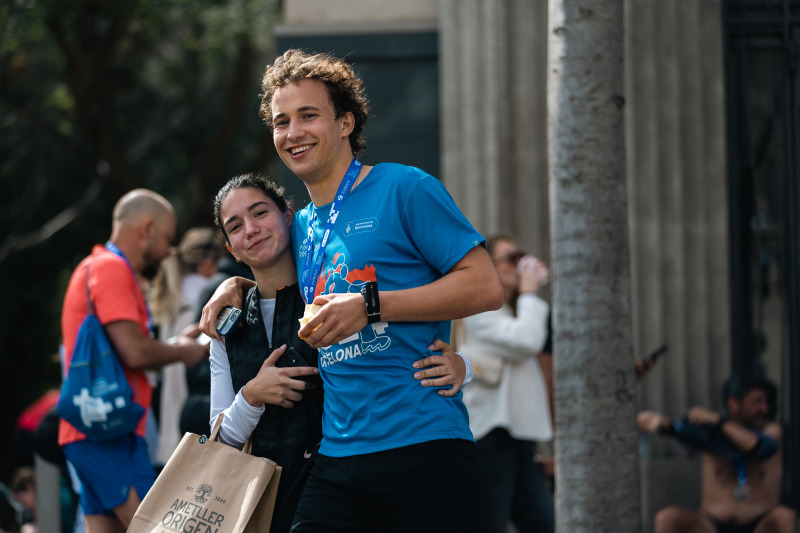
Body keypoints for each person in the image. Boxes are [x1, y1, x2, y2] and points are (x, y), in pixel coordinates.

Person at [200, 49, 503, 532]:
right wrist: (230, 286)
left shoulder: (404, 187)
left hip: (422, 444)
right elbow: (262, 266)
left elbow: (485, 285)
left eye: (308, 116)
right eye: (281, 122)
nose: (293, 132)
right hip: (336, 456)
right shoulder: (298, 229)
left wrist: (371, 307)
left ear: (345, 122)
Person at [208, 173, 471, 532]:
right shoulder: (228, 326)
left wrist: (462, 366)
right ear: (231, 249)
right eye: (235, 226)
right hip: (261, 501)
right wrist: (251, 397)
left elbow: (392, 343)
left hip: (339, 475)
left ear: (290, 217)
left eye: (259, 213)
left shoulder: (332, 297)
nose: (250, 230)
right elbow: (218, 440)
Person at [58, 189, 208, 533]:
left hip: (91, 431)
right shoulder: (113, 269)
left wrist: (171, 344)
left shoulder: (91, 266)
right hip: (110, 434)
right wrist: (183, 352)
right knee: (157, 528)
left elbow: (131, 348)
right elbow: (135, 351)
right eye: (168, 239)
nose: (170, 251)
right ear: (146, 229)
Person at [458, 234, 554, 533]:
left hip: (520, 438)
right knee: (491, 525)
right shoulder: (479, 311)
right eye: (512, 259)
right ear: (490, 266)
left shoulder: (513, 312)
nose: (520, 265)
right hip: (490, 438)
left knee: (542, 522)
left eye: (521, 257)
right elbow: (528, 340)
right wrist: (529, 292)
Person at [638, 373, 797, 533]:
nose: (765, 408)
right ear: (734, 404)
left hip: (760, 525)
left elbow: (760, 449)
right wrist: (665, 425)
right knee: (667, 518)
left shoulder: (771, 431)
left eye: (765, 402)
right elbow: (689, 434)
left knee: (785, 517)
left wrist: (718, 422)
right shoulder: (714, 434)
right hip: (711, 526)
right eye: (757, 402)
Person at [149, 226, 224, 466]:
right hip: (194, 427)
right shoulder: (203, 304)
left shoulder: (173, 301)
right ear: (208, 265)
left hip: (171, 427)